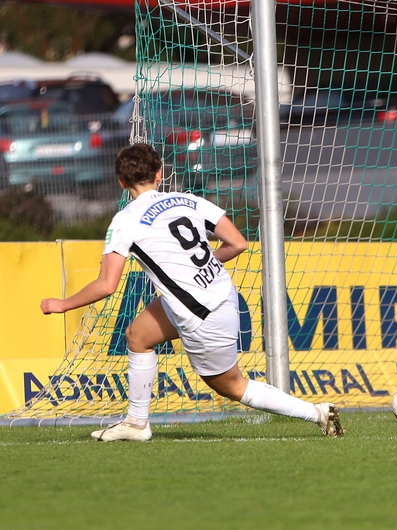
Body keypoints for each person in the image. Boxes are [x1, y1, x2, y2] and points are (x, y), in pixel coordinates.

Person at [40, 143, 343, 441]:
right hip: (220, 292)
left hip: (200, 312)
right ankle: (135, 423)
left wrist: (63, 304)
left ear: (121, 182)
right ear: (159, 174)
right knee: (138, 336)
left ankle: (316, 412)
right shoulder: (189, 200)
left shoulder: (125, 221)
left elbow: (107, 284)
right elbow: (238, 243)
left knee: (232, 386)